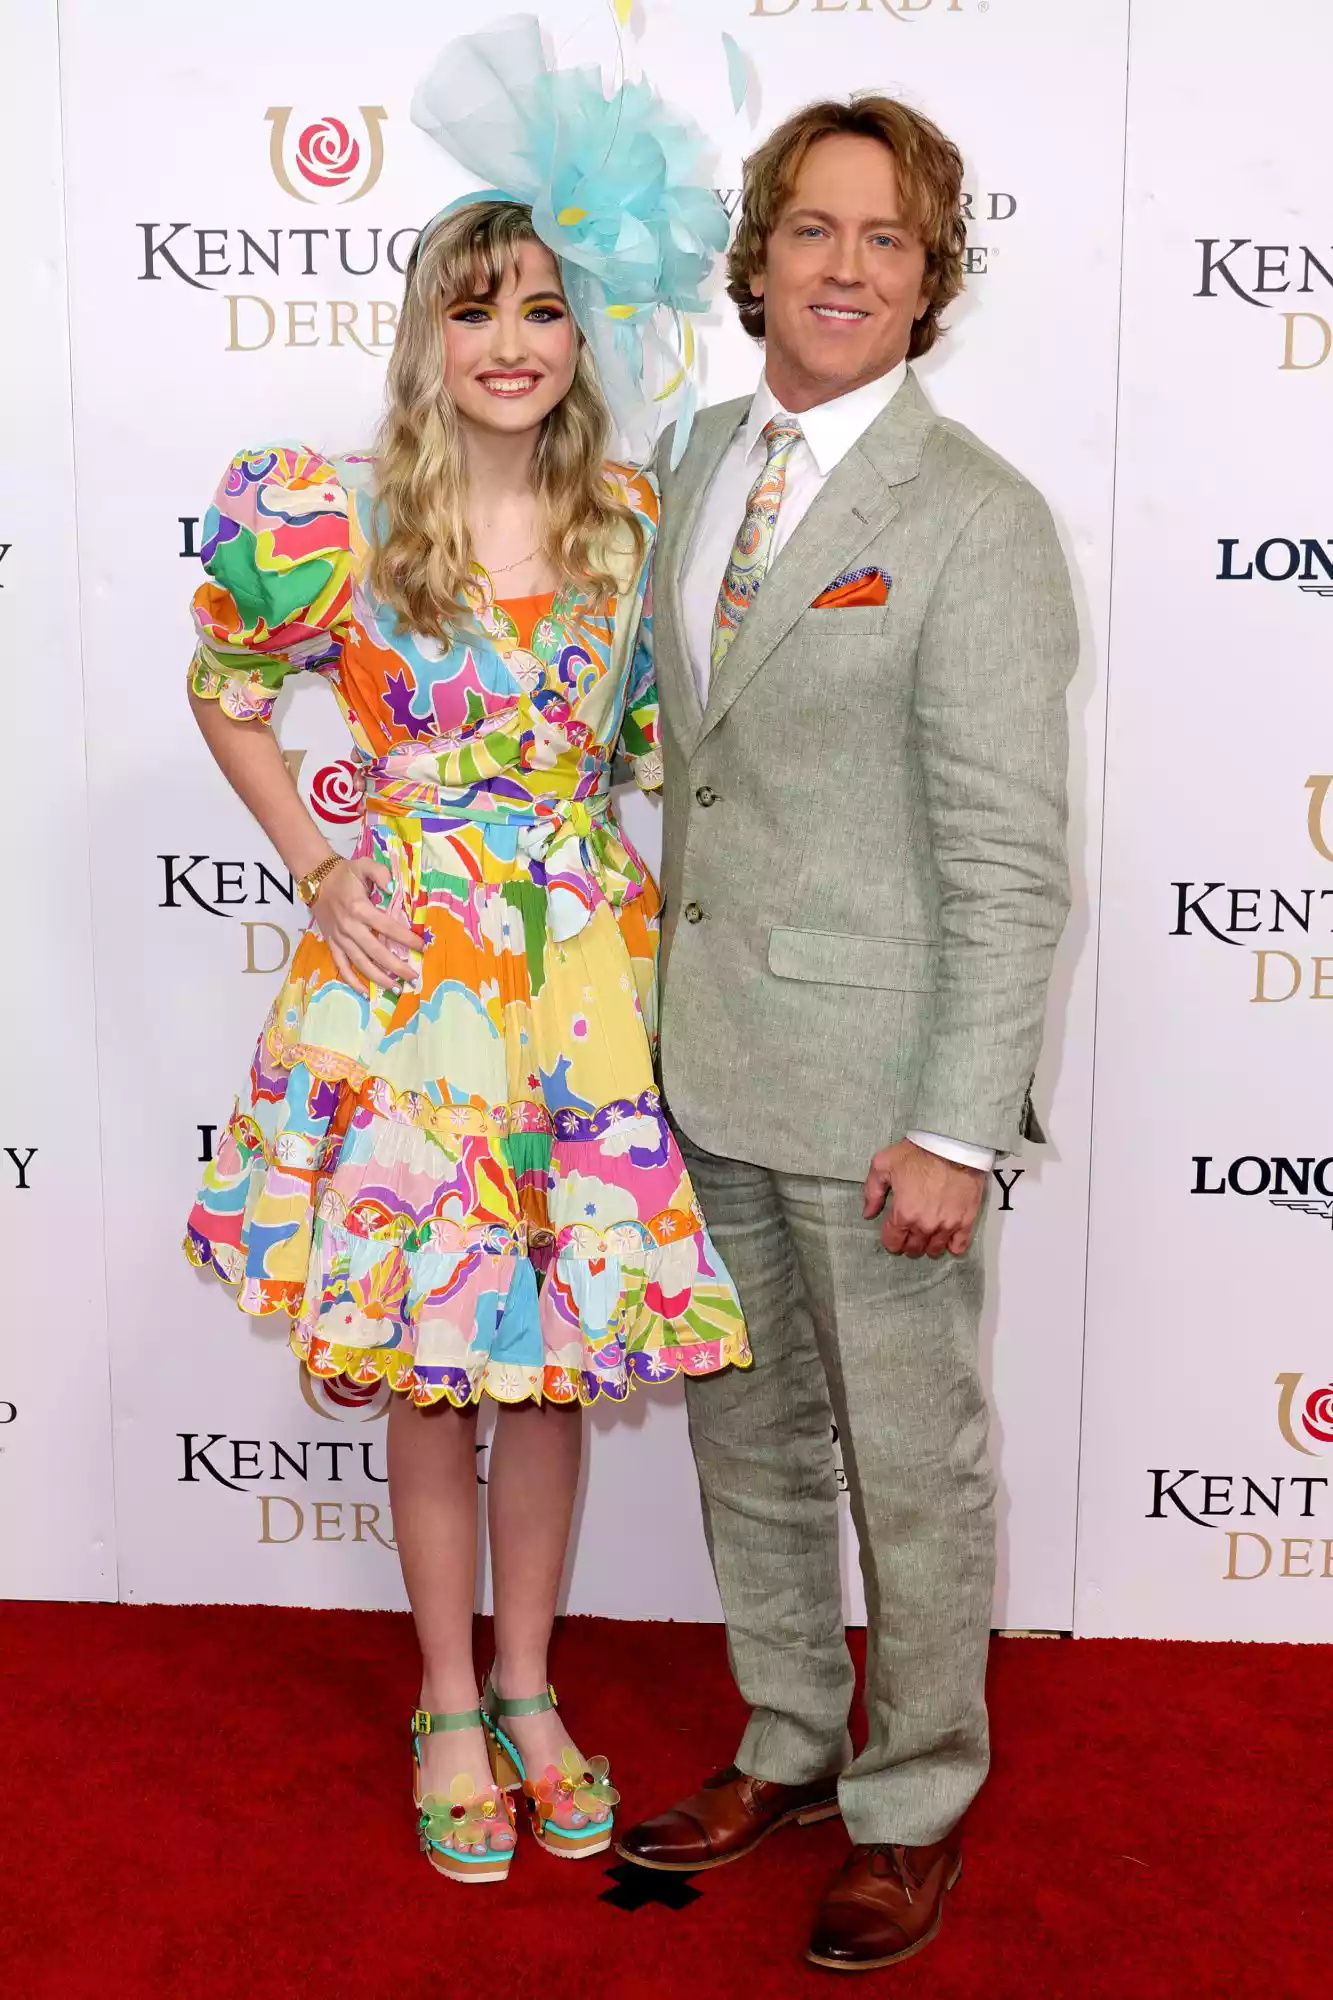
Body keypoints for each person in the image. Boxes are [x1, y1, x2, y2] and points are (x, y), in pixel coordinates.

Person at [183, 20, 745, 1887]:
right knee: (438, 1367)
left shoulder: (631, 525)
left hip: (577, 997)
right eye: (475, 309)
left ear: (588, 344)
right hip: (412, 992)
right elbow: (227, 689)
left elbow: (664, 751)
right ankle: (441, 1695)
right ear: (429, 333)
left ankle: (530, 1686)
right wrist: (314, 862)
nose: (510, 344)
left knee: (552, 1368)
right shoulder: (324, 519)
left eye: (546, 314)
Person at [617, 95, 1076, 1972]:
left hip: (882, 1091)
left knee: (913, 1461)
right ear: (760, 256)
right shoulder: (695, 449)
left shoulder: (980, 519)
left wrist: (957, 1126)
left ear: (932, 277)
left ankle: (913, 1801)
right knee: (745, 1435)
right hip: (698, 1054)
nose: (847, 266)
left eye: (889, 239)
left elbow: (1006, 851)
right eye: (814, 229)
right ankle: (791, 1743)